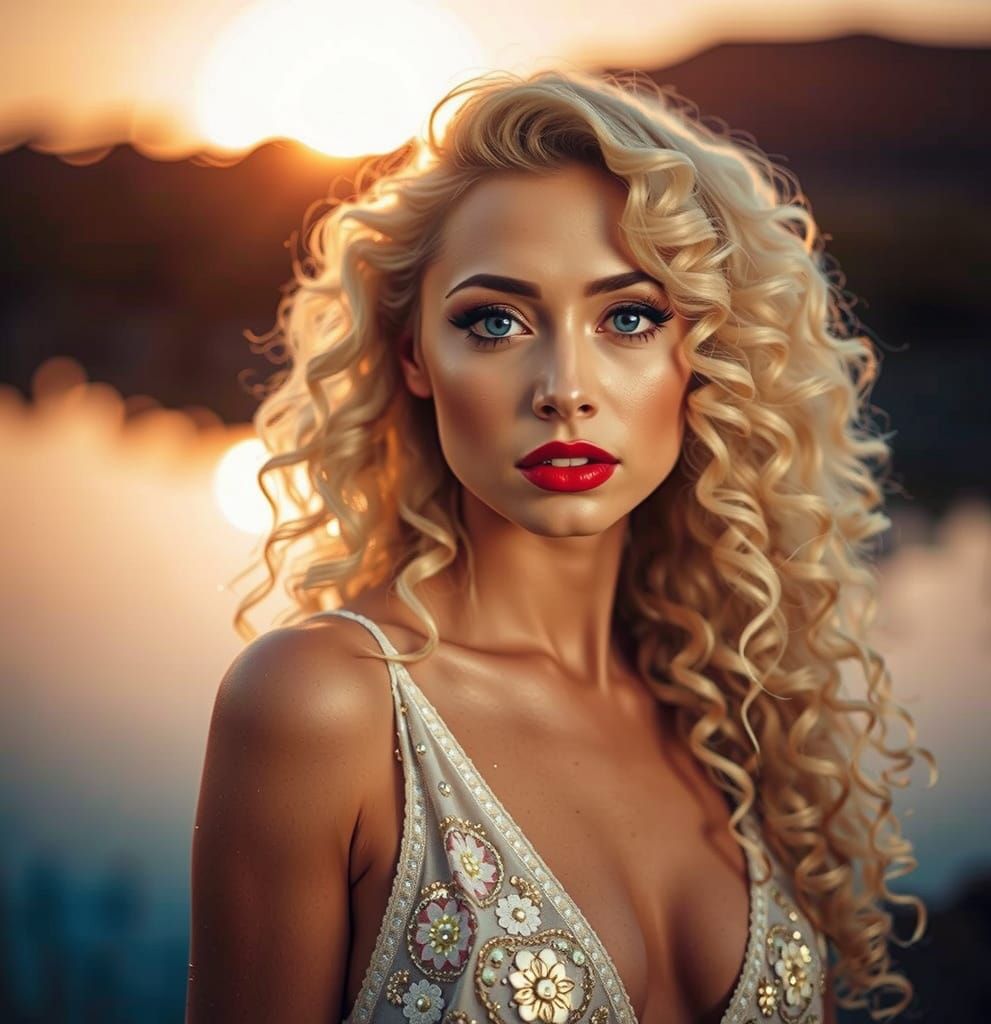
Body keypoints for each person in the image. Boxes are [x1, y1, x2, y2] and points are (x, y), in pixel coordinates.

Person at [186, 68, 934, 1024]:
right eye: (494, 321)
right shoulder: (326, 705)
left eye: (629, 317)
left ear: (704, 351)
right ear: (414, 354)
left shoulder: (740, 714)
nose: (565, 388)